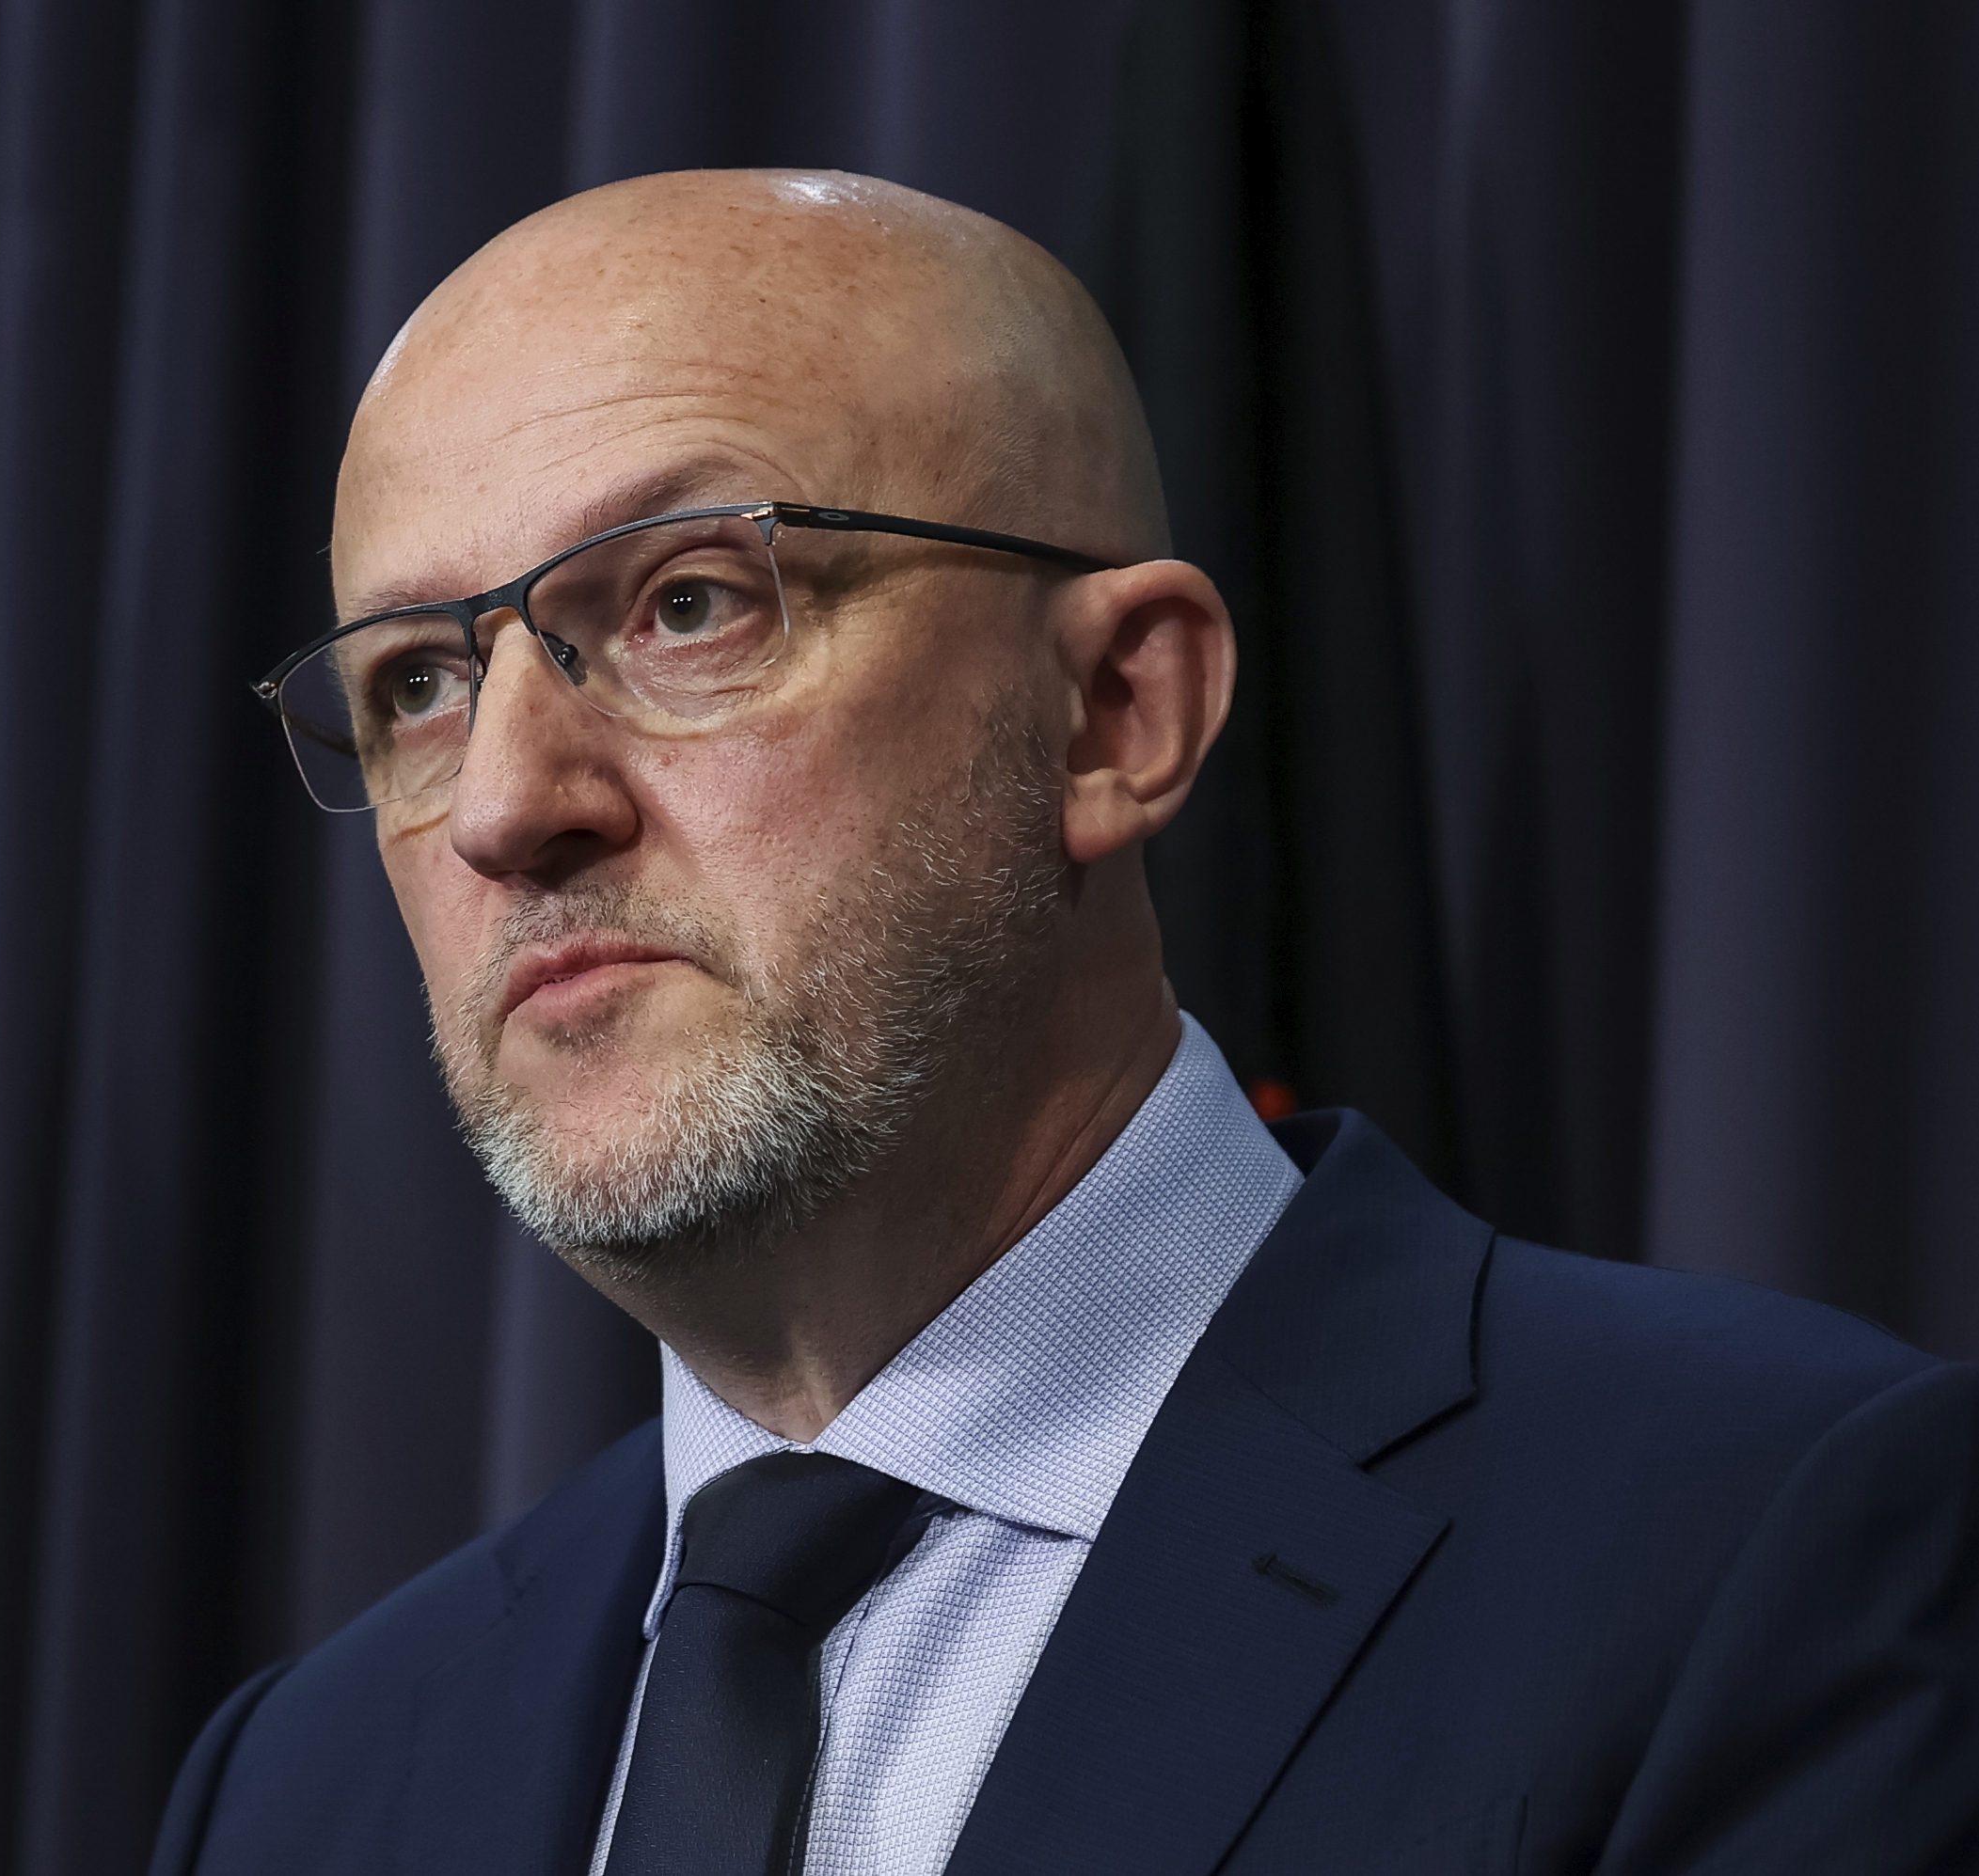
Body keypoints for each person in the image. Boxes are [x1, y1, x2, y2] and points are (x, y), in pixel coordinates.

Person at [150, 170, 1979, 1876]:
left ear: (1120, 708)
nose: (502, 802)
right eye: (417, 683)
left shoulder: (1767, 1542)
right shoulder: (308, 1779)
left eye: (688, 604)